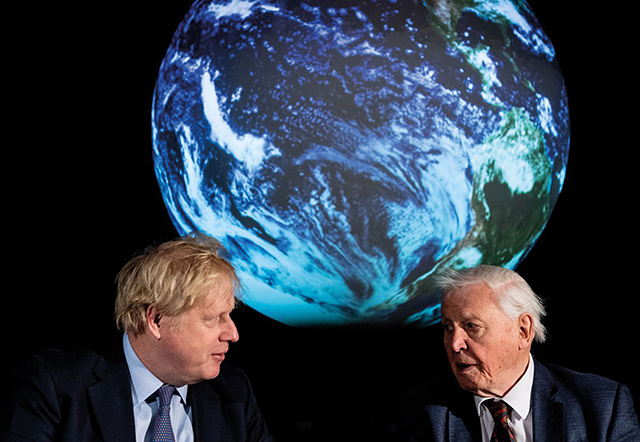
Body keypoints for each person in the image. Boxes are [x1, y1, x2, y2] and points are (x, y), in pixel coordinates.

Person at [2, 233, 273, 441]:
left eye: (229, 315)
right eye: (213, 318)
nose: (233, 334)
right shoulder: (55, 386)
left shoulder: (234, 393)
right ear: (156, 320)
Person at [399, 265, 640, 441]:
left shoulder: (603, 407)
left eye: (472, 327)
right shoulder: (423, 413)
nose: (455, 344)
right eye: (448, 328)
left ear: (523, 330)